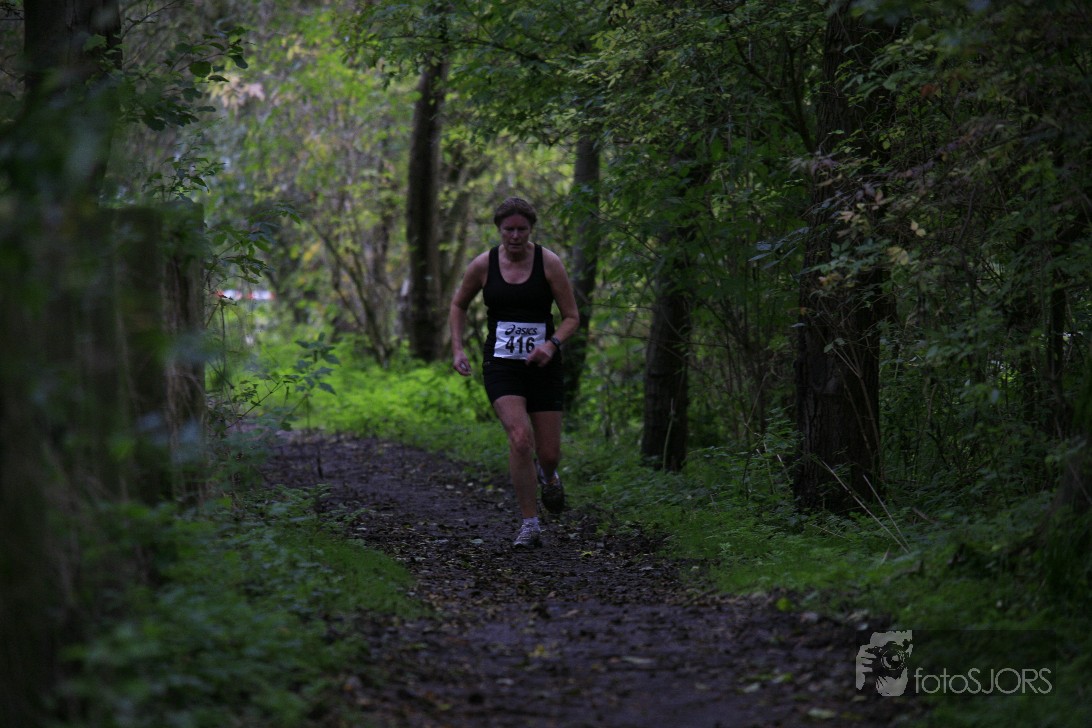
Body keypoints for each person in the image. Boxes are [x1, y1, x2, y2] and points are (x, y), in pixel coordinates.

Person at [449, 197, 580, 548]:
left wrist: (551, 344)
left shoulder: (549, 263)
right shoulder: (484, 265)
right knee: (520, 439)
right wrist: (457, 348)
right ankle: (529, 523)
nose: (516, 236)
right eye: (509, 230)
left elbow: (572, 317)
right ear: (499, 230)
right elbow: (459, 304)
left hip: (544, 364)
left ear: (531, 230)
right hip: (501, 364)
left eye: (522, 229)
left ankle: (548, 476)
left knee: (549, 454)